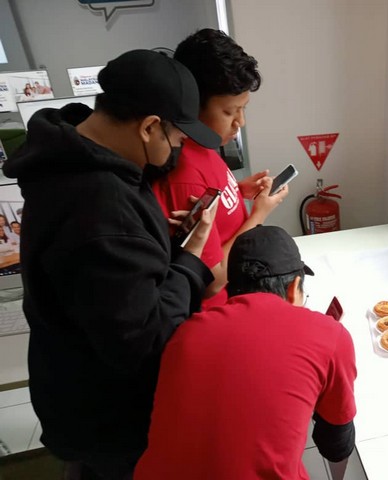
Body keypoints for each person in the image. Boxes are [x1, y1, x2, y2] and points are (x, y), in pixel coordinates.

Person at [2, 49, 221, 480]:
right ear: (149, 126)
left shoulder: (68, 153)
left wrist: (157, 244)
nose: (180, 147)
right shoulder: (102, 212)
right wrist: (191, 260)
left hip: (70, 383)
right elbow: (147, 341)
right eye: (177, 137)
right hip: (109, 416)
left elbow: (106, 280)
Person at [134, 225, 357, 480]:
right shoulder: (328, 335)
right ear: (294, 287)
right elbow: (336, 447)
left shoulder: (186, 332)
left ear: (230, 289)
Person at [153, 28, 289, 308]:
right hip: (219, 310)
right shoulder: (184, 174)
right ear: (192, 104)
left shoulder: (205, 145)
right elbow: (212, 281)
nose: (240, 122)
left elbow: (211, 205)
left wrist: (236, 191)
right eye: (229, 111)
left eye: (243, 109)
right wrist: (259, 214)